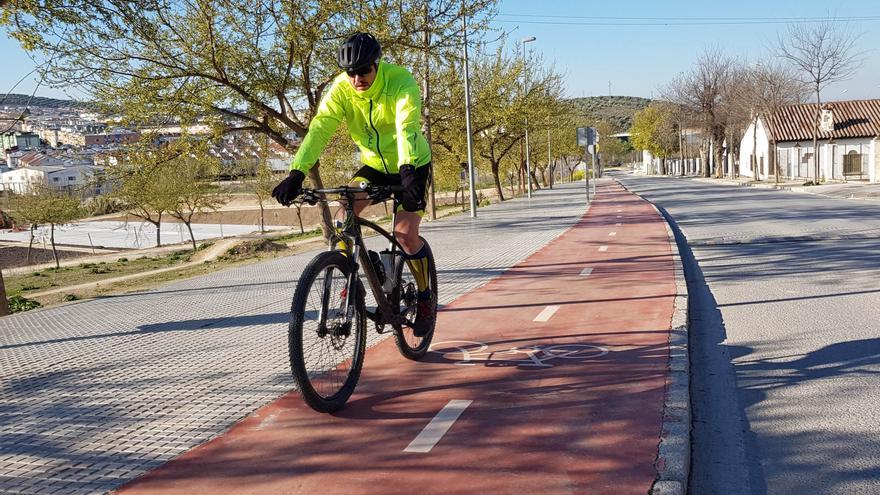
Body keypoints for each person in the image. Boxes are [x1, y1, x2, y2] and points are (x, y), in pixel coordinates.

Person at [272, 32, 434, 336]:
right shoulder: (341, 90)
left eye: (363, 71)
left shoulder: (400, 81)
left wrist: (409, 168)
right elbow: (320, 128)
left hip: (412, 163)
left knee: (405, 235)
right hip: (374, 166)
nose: (356, 78)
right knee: (344, 213)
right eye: (350, 72)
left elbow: (406, 126)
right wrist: (297, 172)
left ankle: (425, 298)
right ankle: (352, 279)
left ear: (377, 64)